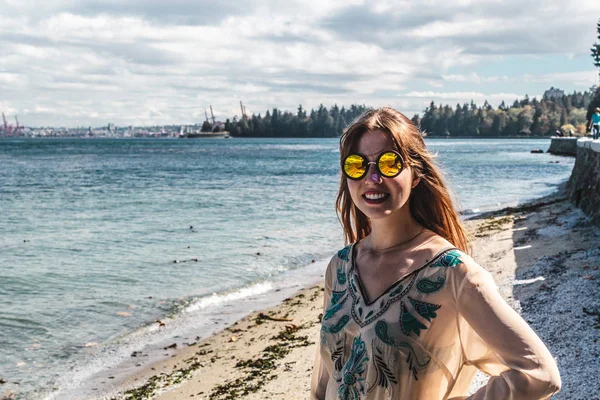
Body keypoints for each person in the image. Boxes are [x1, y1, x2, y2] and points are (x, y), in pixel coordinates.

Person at [311, 107, 561, 400]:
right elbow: (325, 379)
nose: (373, 177)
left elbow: (539, 373)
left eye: (389, 163)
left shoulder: (452, 272)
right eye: (357, 165)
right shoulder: (340, 267)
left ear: (416, 174)